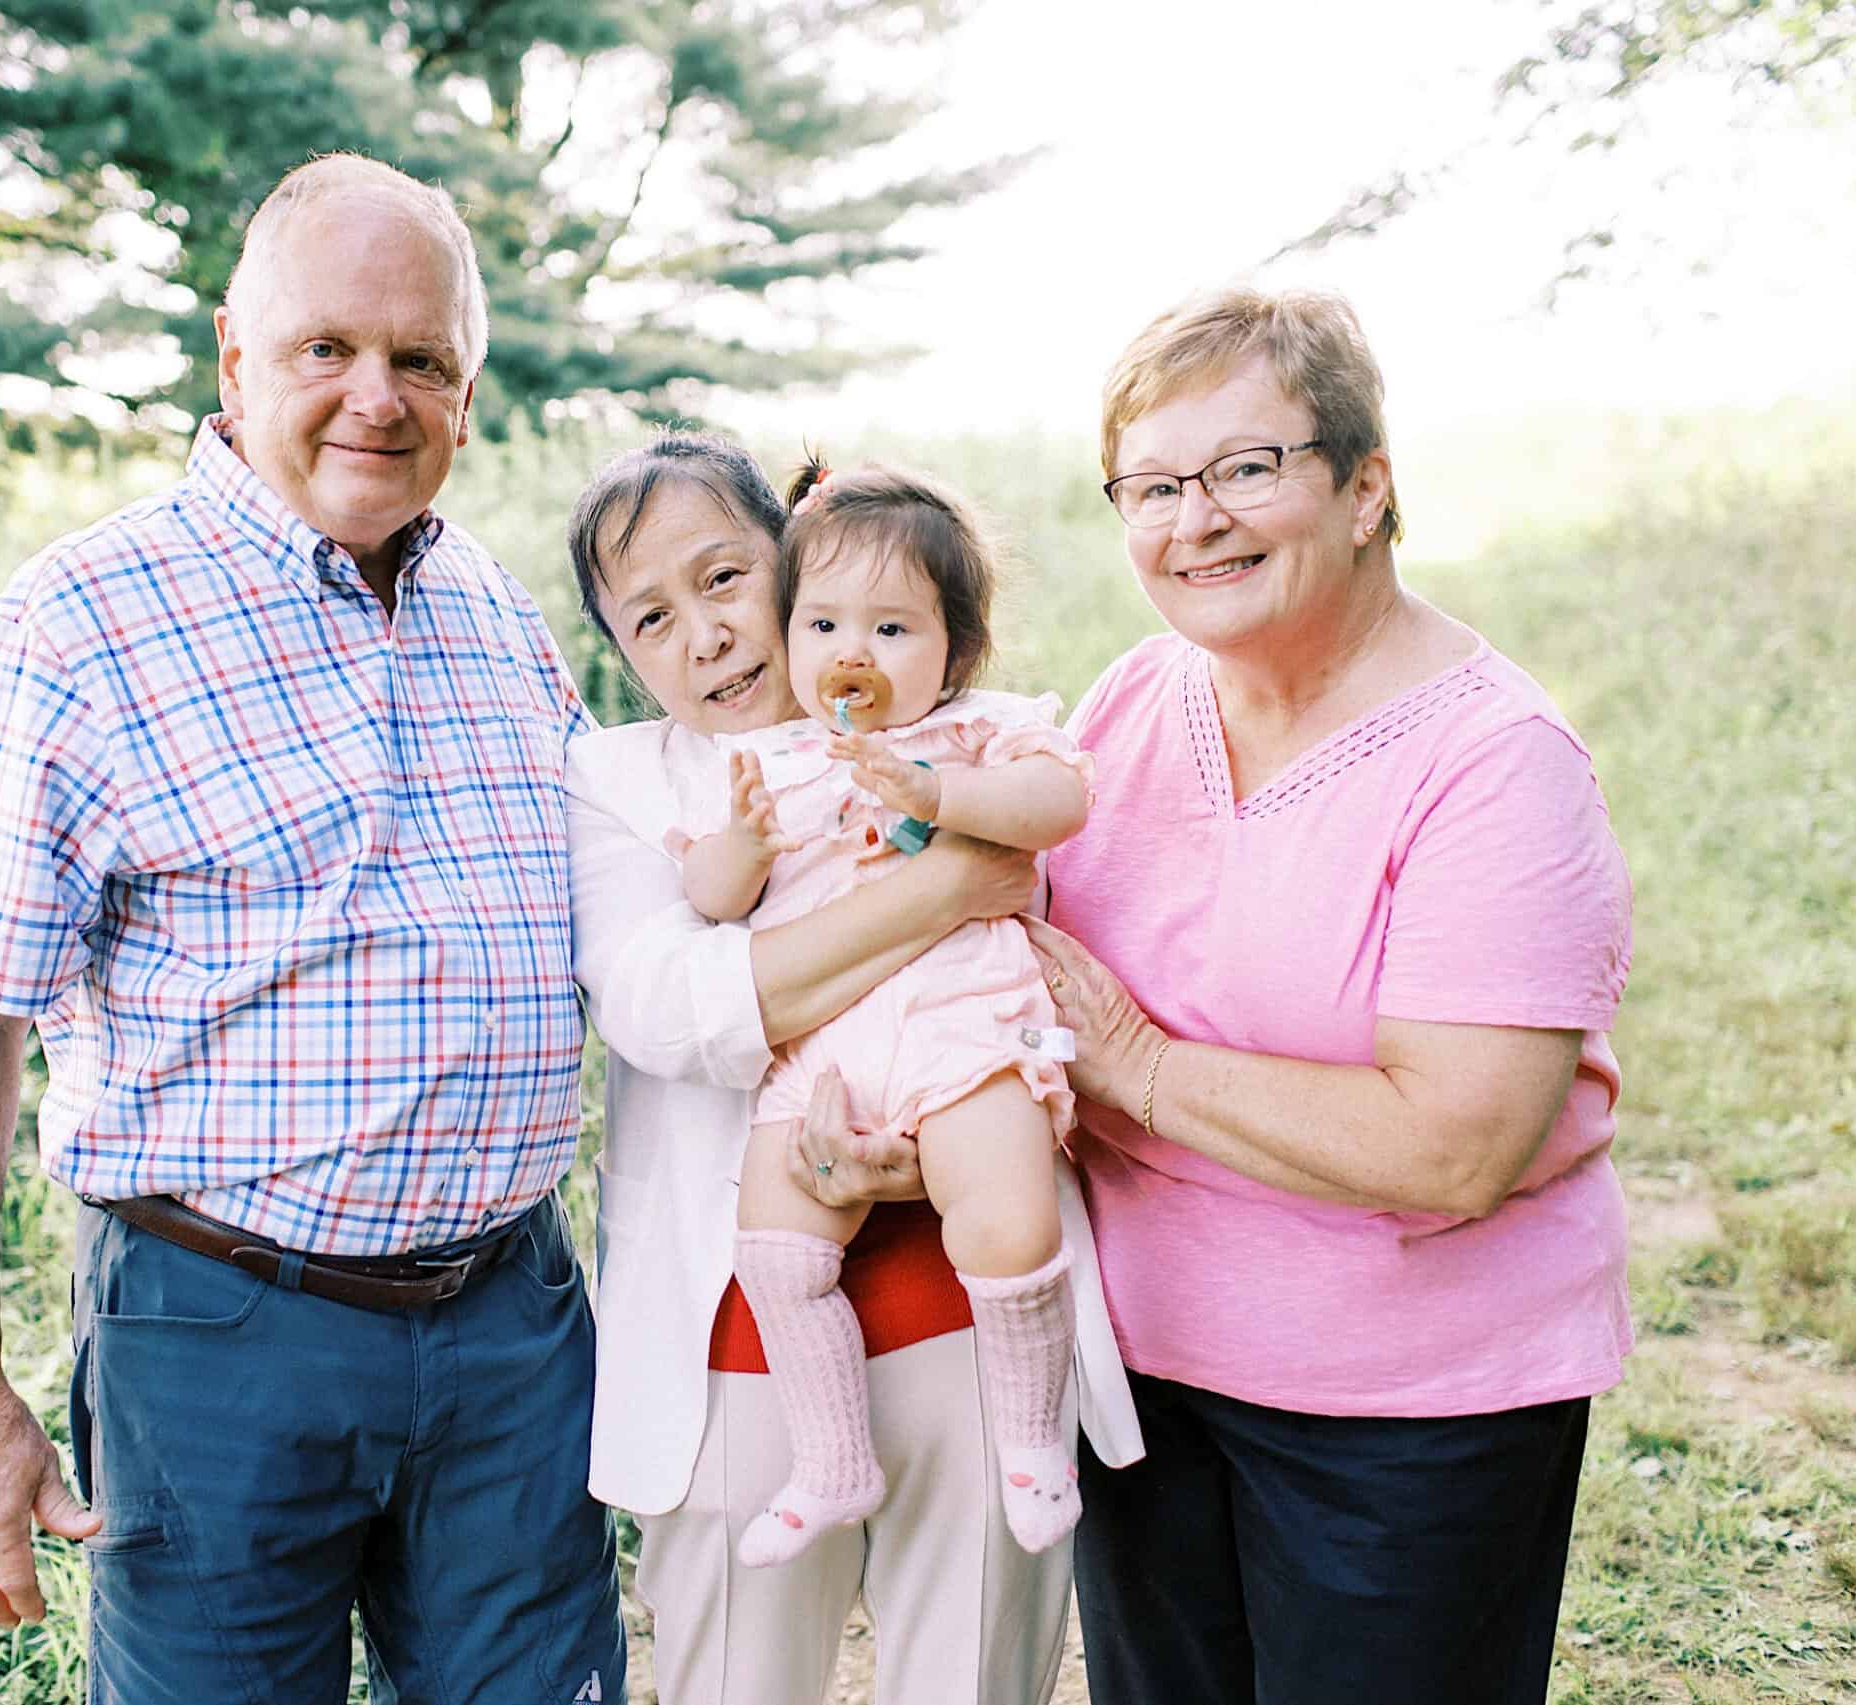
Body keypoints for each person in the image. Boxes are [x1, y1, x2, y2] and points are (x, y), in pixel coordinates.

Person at [0, 153, 628, 1704]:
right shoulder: (77, 624)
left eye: (422, 358)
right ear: (236, 355)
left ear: (469, 393)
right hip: (219, 1336)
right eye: (328, 349)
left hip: (511, 1325)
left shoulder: (493, 611)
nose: (378, 396)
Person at [1023, 284, 1634, 1705]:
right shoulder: (1129, 701)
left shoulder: (1493, 762)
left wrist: (1142, 1067)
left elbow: (1457, 1144)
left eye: (1248, 468)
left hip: (1408, 1420)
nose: (1196, 520)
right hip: (1140, 1385)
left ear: (1367, 489)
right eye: (1155, 485)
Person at [564, 435, 1144, 1702]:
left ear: (795, 558)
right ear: (619, 648)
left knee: (977, 1671)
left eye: (726, 579)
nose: (706, 636)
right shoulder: (617, 783)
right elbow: (671, 1011)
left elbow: (1045, 905)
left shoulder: (958, 737)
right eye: (652, 617)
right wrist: (949, 885)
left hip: (972, 1301)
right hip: (741, 1331)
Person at [674, 460, 1094, 1566]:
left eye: (893, 629)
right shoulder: (763, 760)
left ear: (954, 652)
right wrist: (745, 849)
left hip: (961, 1017)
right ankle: (831, 1460)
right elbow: (711, 905)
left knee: (1006, 1221)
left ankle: (1027, 1440)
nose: (852, 652)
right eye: (822, 622)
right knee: (774, 1248)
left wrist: (937, 795)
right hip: (825, 1048)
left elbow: (1062, 800)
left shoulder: (973, 734)